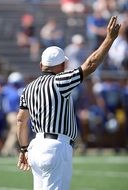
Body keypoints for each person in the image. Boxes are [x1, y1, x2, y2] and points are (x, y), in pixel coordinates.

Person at [16, 16, 120, 190]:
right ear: (63, 65)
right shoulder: (60, 81)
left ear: (42, 65)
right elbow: (91, 64)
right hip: (55, 148)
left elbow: (21, 120)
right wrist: (109, 39)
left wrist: (24, 149)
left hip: (35, 147)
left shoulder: (29, 88)